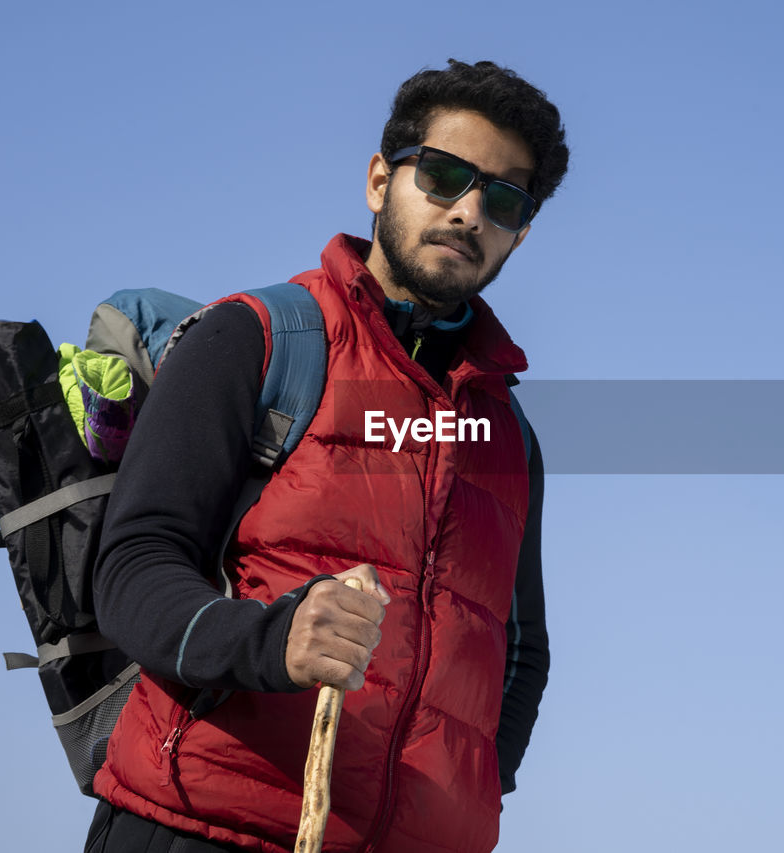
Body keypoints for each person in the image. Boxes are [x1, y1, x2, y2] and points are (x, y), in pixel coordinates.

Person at [83, 59, 568, 853]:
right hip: (199, 828)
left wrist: (468, 788)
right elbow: (134, 564)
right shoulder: (254, 339)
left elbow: (521, 650)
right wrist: (270, 641)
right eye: (444, 175)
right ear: (380, 180)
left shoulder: (505, 431)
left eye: (504, 197)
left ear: (521, 227)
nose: (470, 211)